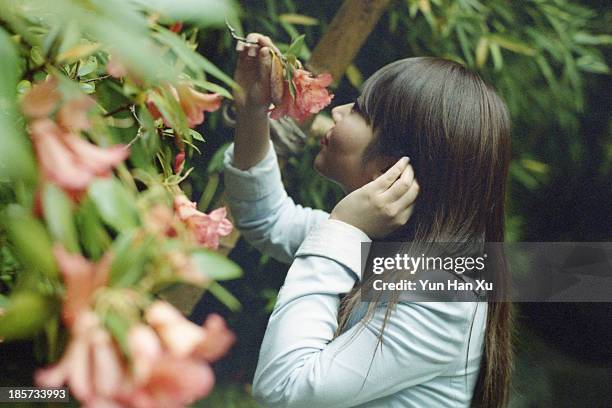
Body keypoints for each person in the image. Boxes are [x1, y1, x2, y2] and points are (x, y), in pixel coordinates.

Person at [223, 33, 513, 408]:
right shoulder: (386, 249)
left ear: (393, 169)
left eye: (359, 110)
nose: (338, 111)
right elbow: (267, 219)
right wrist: (252, 111)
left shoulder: (442, 298)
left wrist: (343, 228)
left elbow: (284, 388)